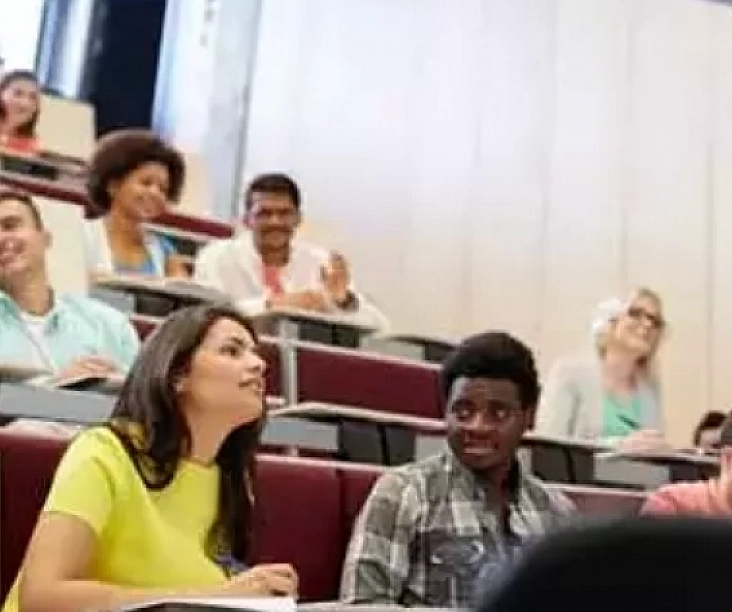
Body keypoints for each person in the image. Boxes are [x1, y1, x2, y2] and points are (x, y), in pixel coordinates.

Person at [6, 304, 296, 612]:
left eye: (256, 352)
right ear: (176, 376)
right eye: (231, 351)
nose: (259, 365)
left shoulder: (230, 479)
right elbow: (42, 599)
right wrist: (217, 598)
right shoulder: (104, 452)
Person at [341, 331, 577, 607]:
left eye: (498, 413)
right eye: (463, 412)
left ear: (528, 417)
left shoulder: (556, 511)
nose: (477, 427)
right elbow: (361, 605)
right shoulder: (403, 492)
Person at [0, 187, 140, 381]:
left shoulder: (110, 325)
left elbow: (146, 404)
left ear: (45, 238)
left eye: (10, 225)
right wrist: (57, 387)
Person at [192, 173, 387, 328]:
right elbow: (203, 315)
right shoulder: (217, 256)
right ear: (246, 220)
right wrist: (273, 305)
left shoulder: (320, 262)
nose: (275, 222)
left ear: (298, 218)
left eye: (284, 214)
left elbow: (378, 325)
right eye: (264, 214)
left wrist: (344, 302)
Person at [534, 290, 667, 449]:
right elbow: (546, 446)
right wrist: (619, 446)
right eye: (635, 313)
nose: (647, 324)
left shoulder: (650, 389)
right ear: (610, 322)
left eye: (655, 320)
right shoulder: (570, 374)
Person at [82, 129, 188, 280]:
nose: (155, 193)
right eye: (146, 183)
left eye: (163, 189)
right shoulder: (82, 235)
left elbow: (185, 297)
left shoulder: (164, 251)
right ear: (113, 185)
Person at [0, 70, 44, 155]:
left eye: (32, 97)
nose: (24, 104)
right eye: (18, 94)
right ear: (0, 94)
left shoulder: (32, 146)